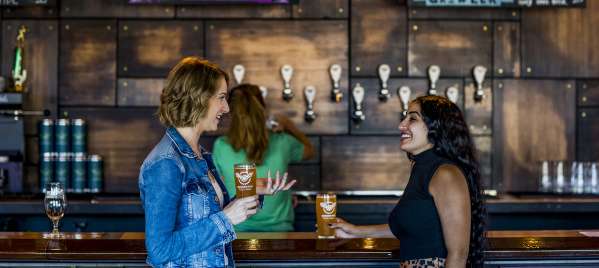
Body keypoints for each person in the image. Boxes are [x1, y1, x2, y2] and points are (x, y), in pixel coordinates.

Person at [138, 57, 295, 268]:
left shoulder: (201, 156)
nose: (227, 108)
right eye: (221, 97)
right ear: (198, 98)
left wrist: (247, 196)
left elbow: (205, 217)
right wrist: (226, 218)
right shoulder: (165, 163)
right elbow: (159, 250)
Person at [329, 95, 488, 268]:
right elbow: (411, 227)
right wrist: (355, 231)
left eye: (412, 118)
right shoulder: (419, 167)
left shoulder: (446, 173)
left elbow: (458, 253)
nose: (401, 125)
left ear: (437, 126)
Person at [213, 84, 315, 232]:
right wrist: (289, 125)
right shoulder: (282, 141)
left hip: (237, 234)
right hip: (280, 233)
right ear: (264, 110)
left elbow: (220, 196)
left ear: (230, 113)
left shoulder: (221, 146)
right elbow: (310, 151)